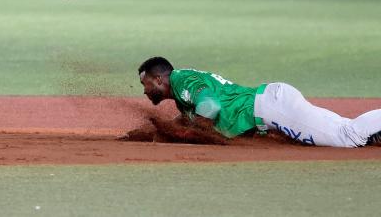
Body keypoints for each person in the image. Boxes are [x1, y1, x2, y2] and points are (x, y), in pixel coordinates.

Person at [136, 56, 381, 147]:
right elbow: (191, 115)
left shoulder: (182, 80)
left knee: (347, 136)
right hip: (273, 104)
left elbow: (211, 107)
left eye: (145, 84)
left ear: (158, 79)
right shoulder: (182, 90)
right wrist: (160, 130)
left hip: (273, 109)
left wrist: (195, 133)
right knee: (348, 129)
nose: (144, 91)